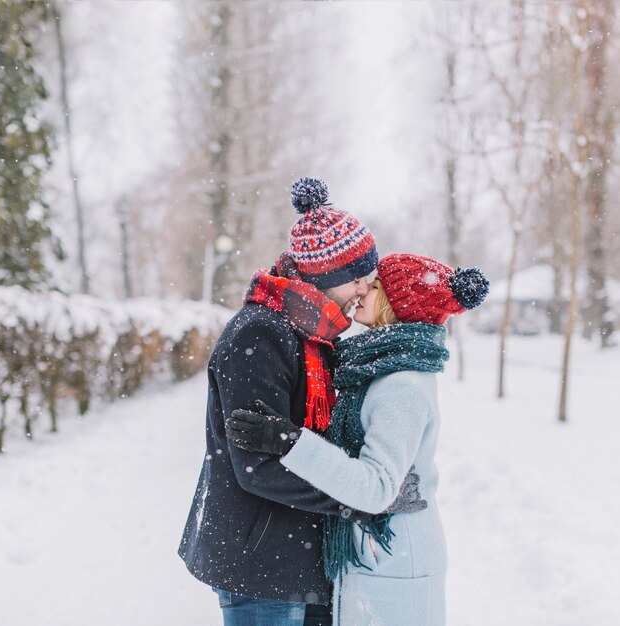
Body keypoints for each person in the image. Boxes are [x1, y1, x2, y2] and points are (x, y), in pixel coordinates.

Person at [179, 178, 421, 626]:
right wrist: (362, 500)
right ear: (326, 278)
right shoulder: (261, 334)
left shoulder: (312, 333)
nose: (365, 292)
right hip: (262, 565)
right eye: (359, 280)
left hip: (297, 557)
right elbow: (256, 466)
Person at [228, 253, 490, 626]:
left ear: (397, 304)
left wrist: (289, 442)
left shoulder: (402, 385)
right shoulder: (380, 368)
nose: (364, 288)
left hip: (395, 561)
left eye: (377, 284)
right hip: (376, 555)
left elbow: (376, 487)